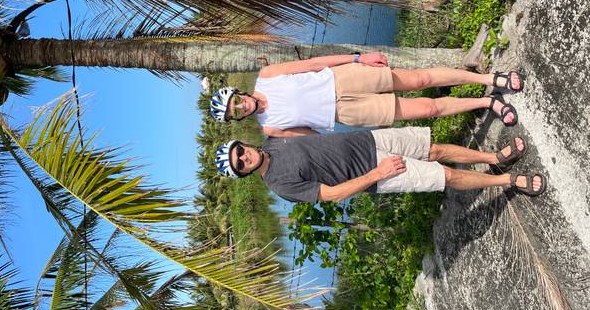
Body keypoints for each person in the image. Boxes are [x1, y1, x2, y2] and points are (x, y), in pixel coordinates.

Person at [209, 53, 523, 137]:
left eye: (235, 100)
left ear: (237, 93)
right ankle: (488, 101)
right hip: (346, 114)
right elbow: (312, 136)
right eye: (234, 112)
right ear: (237, 117)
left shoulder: (267, 76)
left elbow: (314, 64)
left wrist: (357, 58)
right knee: (427, 109)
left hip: (344, 78)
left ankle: (488, 78)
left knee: (419, 79)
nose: (240, 106)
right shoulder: (269, 128)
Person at [214, 127, 546, 202]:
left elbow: (313, 134)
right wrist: (377, 173)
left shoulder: (272, 140)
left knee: (436, 150)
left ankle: (495, 159)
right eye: (239, 164)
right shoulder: (280, 184)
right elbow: (331, 194)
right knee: (444, 176)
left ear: (243, 144)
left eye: (239, 150)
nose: (244, 157)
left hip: (371, 139)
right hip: (376, 173)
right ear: (243, 174)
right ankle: (507, 182)